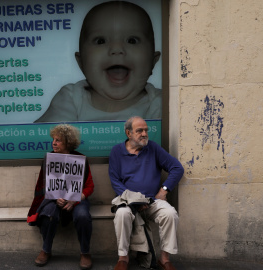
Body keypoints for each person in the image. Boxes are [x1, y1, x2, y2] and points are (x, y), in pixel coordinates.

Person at [35, 1, 161, 123]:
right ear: (81, 62)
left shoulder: (160, 103)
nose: (117, 49)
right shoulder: (72, 98)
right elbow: (46, 139)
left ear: (153, 61)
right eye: (100, 41)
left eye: (132, 40)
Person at [109, 116, 184, 270]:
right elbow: (115, 181)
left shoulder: (153, 148)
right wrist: (135, 200)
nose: (144, 134)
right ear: (128, 133)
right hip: (128, 202)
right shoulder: (117, 151)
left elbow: (177, 168)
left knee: (170, 213)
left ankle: (164, 259)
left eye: (145, 130)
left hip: (152, 201)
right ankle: (123, 258)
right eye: (139, 131)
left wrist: (164, 190)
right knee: (122, 214)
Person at [27, 124, 94, 269]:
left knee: (83, 216)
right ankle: (46, 249)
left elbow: (89, 186)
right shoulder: (49, 159)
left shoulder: (81, 159)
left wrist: (75, 199)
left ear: (68, 143)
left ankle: (85, 252)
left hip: (77, 199)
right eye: (53, 139)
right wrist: (54, 197)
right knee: (48, 213)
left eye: (58, 140)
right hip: (54, 199)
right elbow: (43, 186)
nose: (54, 143)